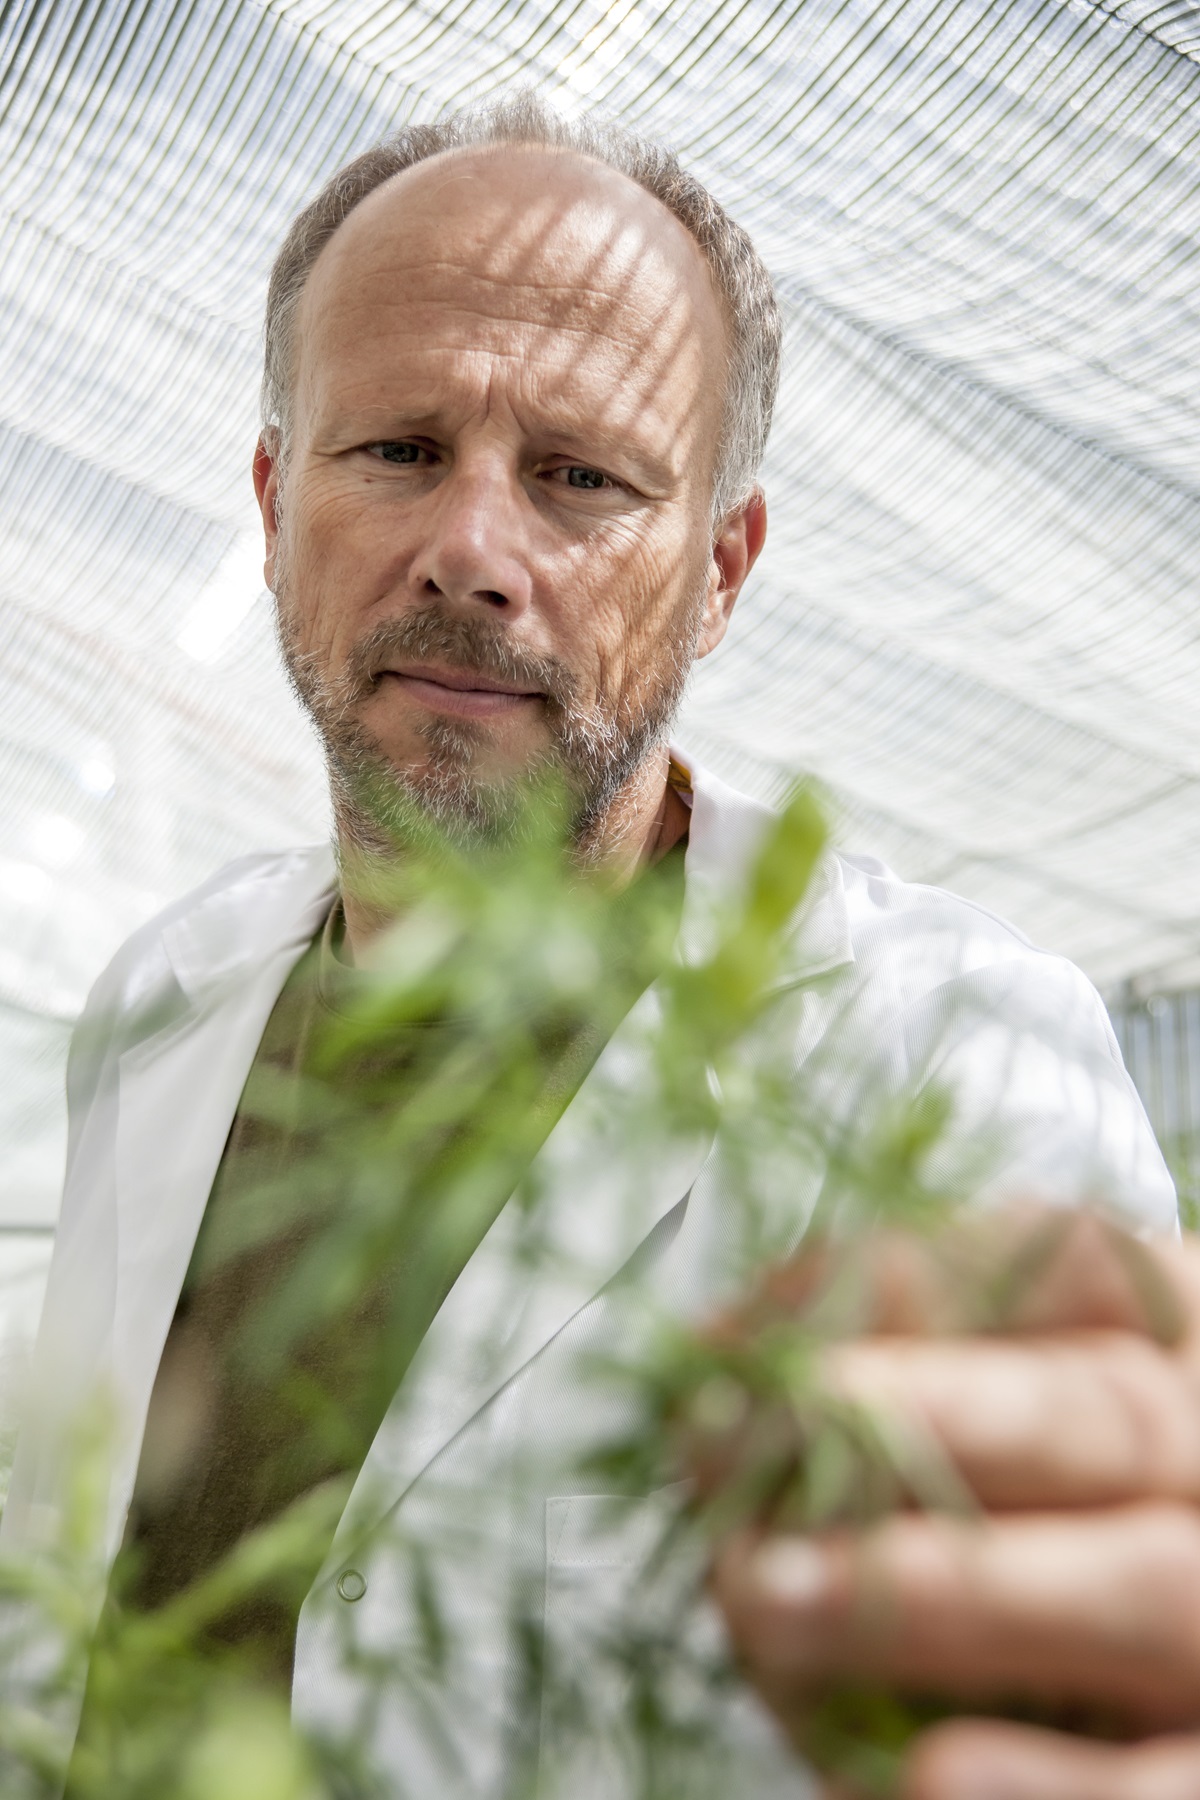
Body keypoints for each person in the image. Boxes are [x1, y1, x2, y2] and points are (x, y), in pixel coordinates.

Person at [0, 93, 1180, 1795]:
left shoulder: (946, 1058)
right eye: (398, 448)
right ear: (274, 504)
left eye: (582, 478)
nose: (476, 552)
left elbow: (1089, 1703)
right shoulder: (165, 1002)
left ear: (719, 570)